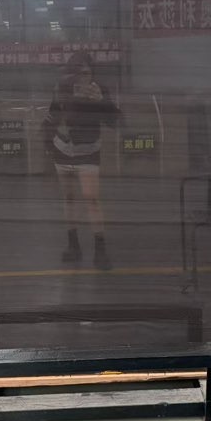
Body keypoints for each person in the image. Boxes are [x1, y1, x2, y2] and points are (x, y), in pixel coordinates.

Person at [44, 51, 120, 270]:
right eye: (78, 73)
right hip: (63, 149)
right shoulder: (62, 88)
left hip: (88, 152)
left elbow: (115, 122)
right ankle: (73, 245)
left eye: (87, 73)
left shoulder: (99, 90)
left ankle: (100, 250)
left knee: (91, 198)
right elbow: (52, 117)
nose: (83, 78)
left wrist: (101, 102)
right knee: (69, 198)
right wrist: (47, 143)